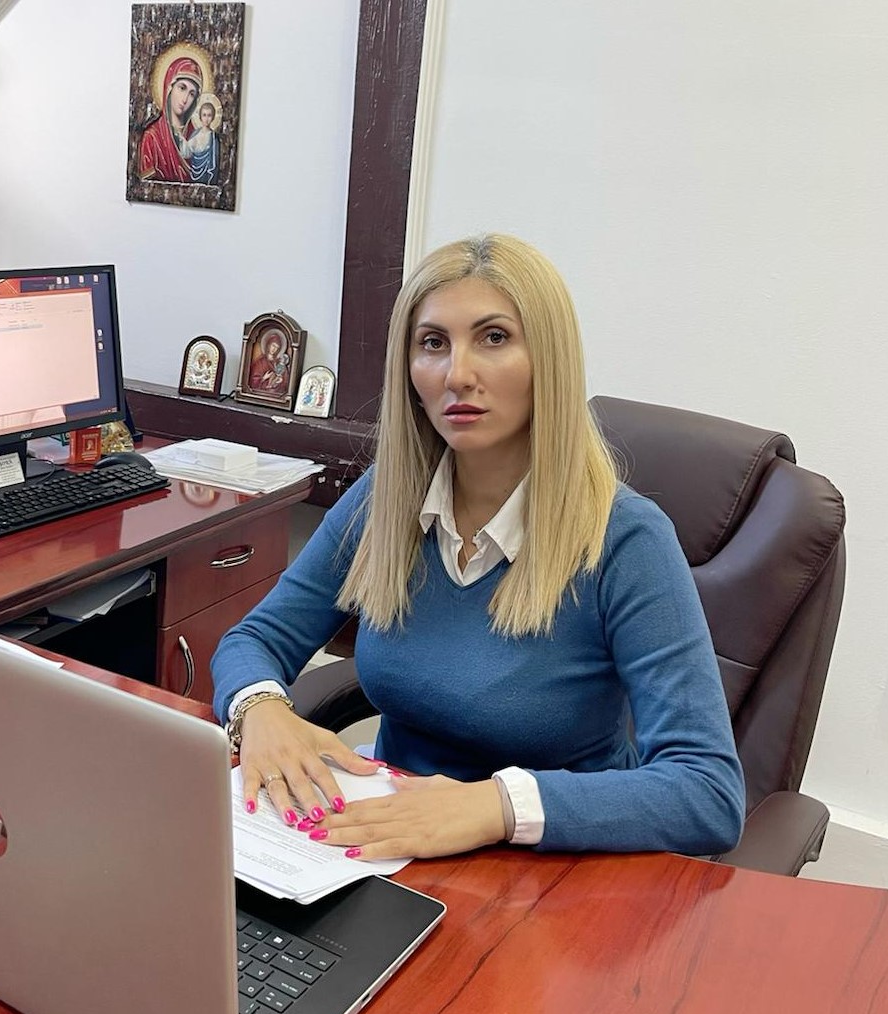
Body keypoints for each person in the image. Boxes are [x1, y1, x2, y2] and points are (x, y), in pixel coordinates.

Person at [212, 233, 745, 861]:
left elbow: (707, 791)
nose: (457, 375)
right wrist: (260, 709)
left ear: (548, 359)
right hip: (392, 843)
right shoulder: (384, 500)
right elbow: (254, 640)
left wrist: (494, 806)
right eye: (432, 343)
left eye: (494, 337)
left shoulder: (627, 539)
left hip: (559, 865)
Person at [138, 55, 203, 183]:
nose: (185, 99)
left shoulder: (197, 138)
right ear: (169, 87)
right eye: (182, 88)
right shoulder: (152, 138)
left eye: (192, 94)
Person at [186, 98, 220, 185]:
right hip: (193, 172)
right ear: (200, 117)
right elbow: (187, 151)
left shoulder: (213, 137)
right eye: (204, 115)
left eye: (209, 115)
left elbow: (215, 160)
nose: (206, 119)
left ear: (213, 117)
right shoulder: (195, 134)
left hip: (207, 174)